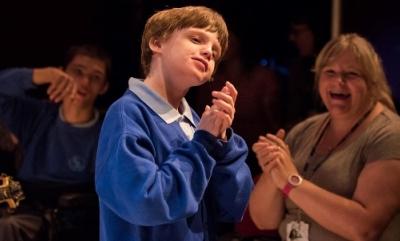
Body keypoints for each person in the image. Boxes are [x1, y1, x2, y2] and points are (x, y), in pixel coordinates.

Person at [95, 6, 253, 241]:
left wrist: (221, 143)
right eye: (196, 39)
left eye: (215, 51)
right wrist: (203, 145)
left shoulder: (198, 125)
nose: (209, 52)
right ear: (157, 43)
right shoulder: (127, 113)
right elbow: (146, 202)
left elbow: (231, 206)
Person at [249, 33, 400, 241]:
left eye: (352, 74)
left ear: (372, 82)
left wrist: (291, 182)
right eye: (330, 72)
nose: (339, 81)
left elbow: (364, 229)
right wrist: (274, 167)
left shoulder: (390, 134)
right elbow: (264, 220)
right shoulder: (304, 131)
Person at [0, 44, 111, 241]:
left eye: (95, 77)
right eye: (78, 71)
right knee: (8, 224)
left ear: (103, 87)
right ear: (62, 72)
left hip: (79, 213)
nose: (85, 81)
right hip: (26, 202)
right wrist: (40, 75)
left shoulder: (108, 131)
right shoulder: (36, 115)